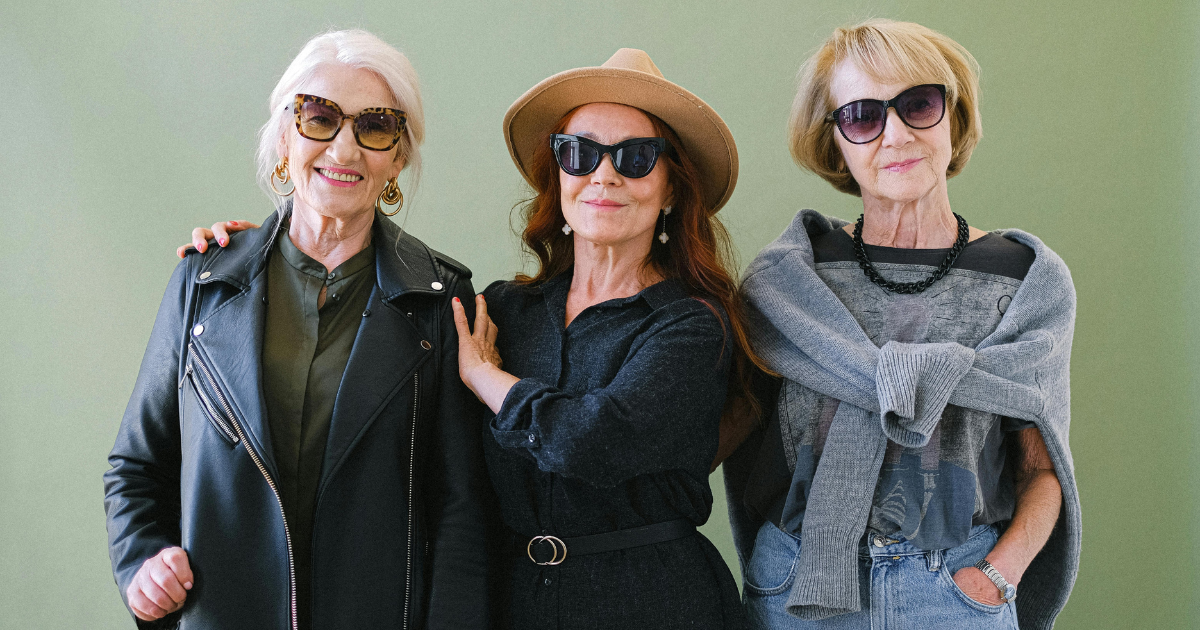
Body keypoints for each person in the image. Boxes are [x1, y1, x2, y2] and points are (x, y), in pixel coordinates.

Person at [103, 30, 491, 630]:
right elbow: (136, 466)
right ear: (285, 136)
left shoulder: (441, 301)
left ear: (399, 157)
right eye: (319, 117)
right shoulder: (203, 280)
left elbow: (462, 512)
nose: (344, 149)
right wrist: (141, 563)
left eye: (376, 127)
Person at [722, 20, 1080, 630]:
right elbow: (727, 435)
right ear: (836, 141)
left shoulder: (1026, 281)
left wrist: (997, 577)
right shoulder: (790, 283)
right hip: (801, 587)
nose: (895, 134)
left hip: (956, 592)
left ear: (953, 117)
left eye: (918, 104)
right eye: (862, 115)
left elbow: (1042, 472)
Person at [450, 49, 756, 629]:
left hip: (654, 605)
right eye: (580, 154)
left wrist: (487, 378)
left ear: (670, 190)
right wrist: (253, 252)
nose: (604, 174)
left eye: (636, 157)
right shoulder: (507, 309)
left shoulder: (692, 325)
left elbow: (594, 439)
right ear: (559, 175)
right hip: (516, 601)